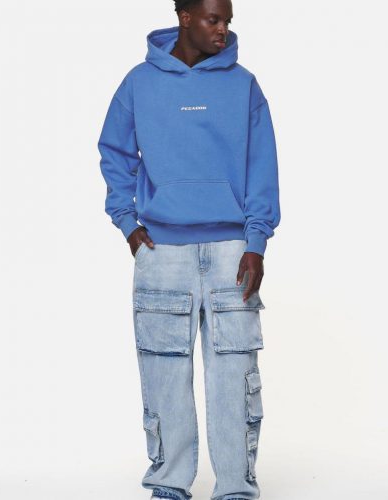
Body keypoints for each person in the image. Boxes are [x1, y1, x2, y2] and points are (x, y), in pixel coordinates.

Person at [97, 0, 281, 498]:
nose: (223, 30)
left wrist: (256, 241)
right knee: (163, 374)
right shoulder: (139, 83)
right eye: (213, 20)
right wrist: (127, 223)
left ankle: (236, 488)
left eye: (228, 21)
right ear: (184, 18)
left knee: (234, 376)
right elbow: (114, 151)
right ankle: (169, 485)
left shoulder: (244, 85)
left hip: (232, 251)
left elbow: (263, 165)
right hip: (163, 253)